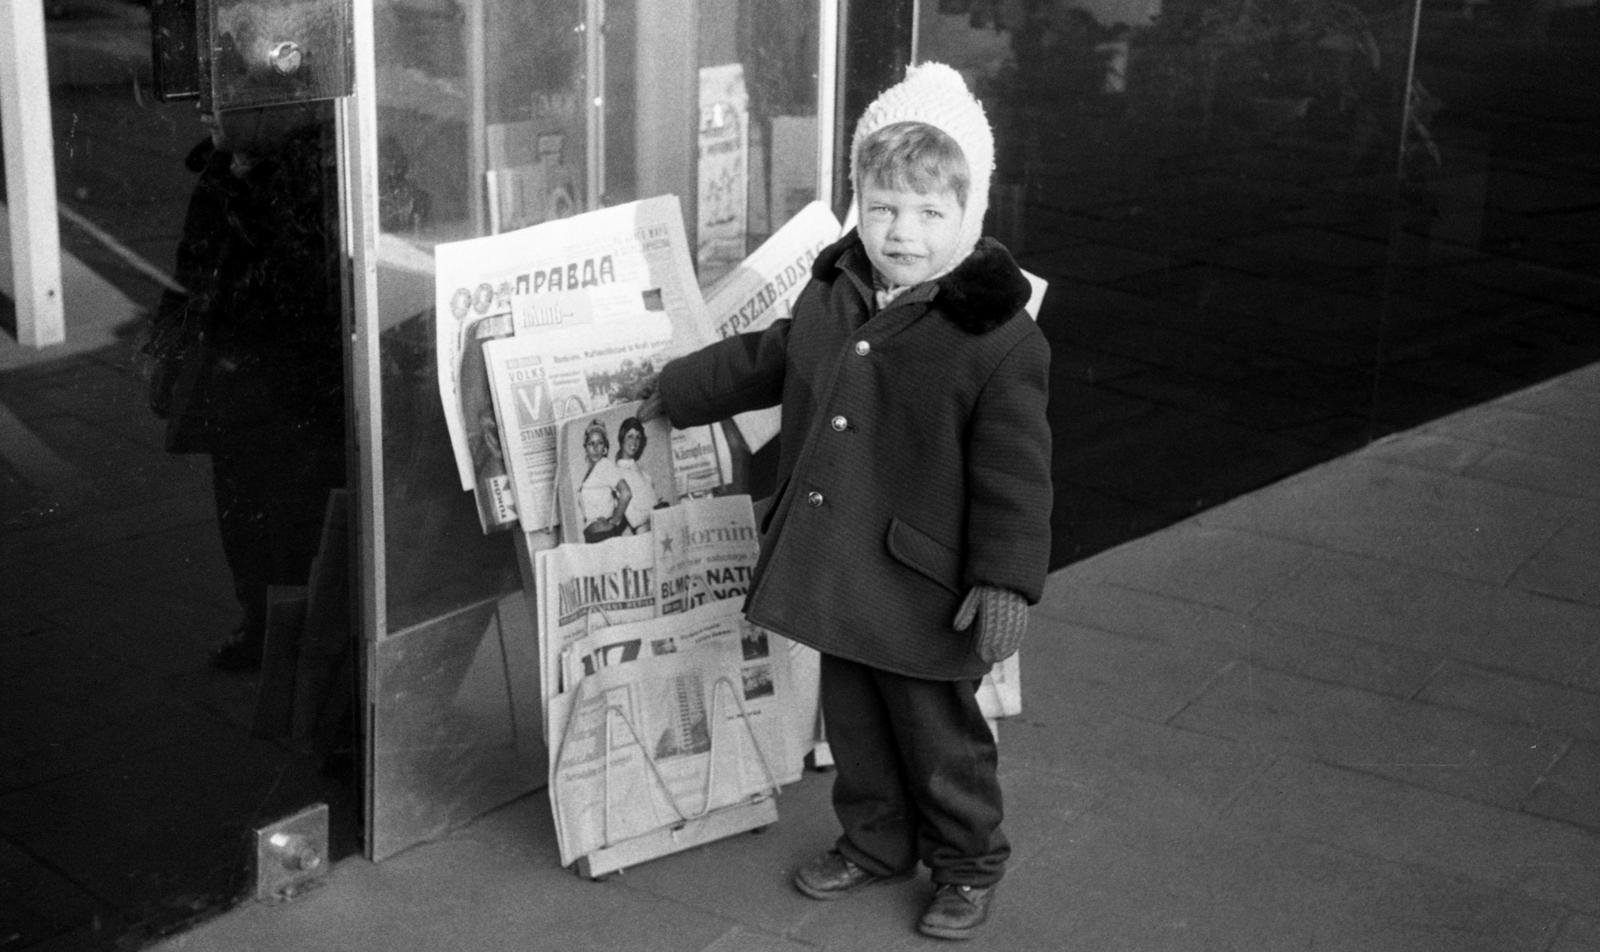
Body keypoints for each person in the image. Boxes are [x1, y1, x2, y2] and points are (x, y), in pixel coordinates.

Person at [640, 62, 1050, 940]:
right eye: (884, 207)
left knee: (941, 739)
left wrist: (1008, 580)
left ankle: (968, 865)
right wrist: (680, 389)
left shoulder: (999, 341)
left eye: (930, 213)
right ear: (858, 201)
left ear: (970, 219)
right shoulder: (838, 290)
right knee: (856, 723)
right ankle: (872, 843)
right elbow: (774, 355)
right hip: (841, 563)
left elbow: (1015, 475)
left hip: (928, 581)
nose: (902, 232)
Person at [141, 100, 345, 671]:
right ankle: (260, 626)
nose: (206, 112)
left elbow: (306, 279)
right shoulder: (221, 171)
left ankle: (307, 653)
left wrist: (251, 191)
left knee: (298, 523)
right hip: (233, 384)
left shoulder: (316, 169)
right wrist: (168, 343)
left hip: (297, 390)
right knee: (241, 513)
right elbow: (190, 267)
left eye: (221, 101)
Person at [576, 418, 631, 542]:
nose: (595, 448)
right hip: (592, 537)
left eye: (599, 443)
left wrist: (613, 522)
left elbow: (626, 493)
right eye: (591, 443)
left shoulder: (604, 465)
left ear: (605, 447)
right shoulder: (591, 472)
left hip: (604, 536)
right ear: (585, 447)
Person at [613, 416, 666, 533]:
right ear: (622, 439)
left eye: (638, 437)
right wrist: (656, 510)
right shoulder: (617, 474)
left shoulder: (644, 474)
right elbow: (634, 519)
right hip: (644, 537)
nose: (634, 442)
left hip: (660, 531)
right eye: (630, 436)